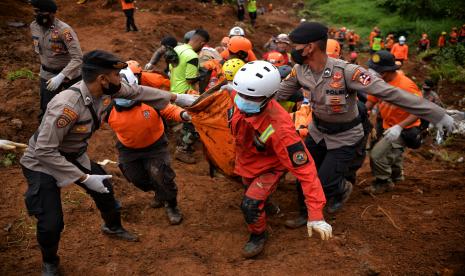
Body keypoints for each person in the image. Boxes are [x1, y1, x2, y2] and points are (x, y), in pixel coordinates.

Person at [20, 50, 197, 276]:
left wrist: (176, 98)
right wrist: (83, 178)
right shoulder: (66, 106)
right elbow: (45, 150)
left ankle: (112, 226)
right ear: (102, 79)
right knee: (51, 221)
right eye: (116, 75)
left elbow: (138, 91)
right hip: (42, 163)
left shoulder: (105, 90)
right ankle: (50, 262)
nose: (120, 80)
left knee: (105, 191)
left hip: (73, 155)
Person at [275, 22, 454, 228]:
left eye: (295, 45)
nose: (291, 50)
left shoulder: (347, 72)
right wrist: (239, 91)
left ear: (309, 47)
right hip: (317, 132)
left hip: (345, 137)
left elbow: (389, 93)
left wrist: (437, 114)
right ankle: (304, 213)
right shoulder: (299, 71)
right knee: (304, 175)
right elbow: (278, 93)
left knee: (325, 183)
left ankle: (343, 189)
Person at [230, 60, 332, 258]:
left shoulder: (282, 130)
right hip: (247, 160)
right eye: (240, 94)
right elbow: (228, 94)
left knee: (249, 204)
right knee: (248, 186)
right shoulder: (241, 95)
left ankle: (258, 235)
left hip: (270, 167)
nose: (241, 100)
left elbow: (306, 172)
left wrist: (316, 215)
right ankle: (264, 203)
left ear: (268, 97)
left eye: (248, 97)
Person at [106, 98, 191, 225]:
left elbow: (169, 109)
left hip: (155, 146)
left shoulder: (148, 99)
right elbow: (92, 119)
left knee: (161, 176)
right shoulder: (108, 109)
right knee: (135, 178)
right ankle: (160, 192)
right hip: (128, 149)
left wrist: (183, 114)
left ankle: (171, 205)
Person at [364, 50, 423, 193]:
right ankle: (397, 176)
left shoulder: (406, 86)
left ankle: (383, 182)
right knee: (393, 153)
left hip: (405, 128)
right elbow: (370, 103)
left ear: (384, 72)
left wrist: (399, 127)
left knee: (377, 155)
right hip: (387, 124)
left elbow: (419, 110)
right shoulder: (379, 83)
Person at [30, 0, 83, 121]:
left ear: (51, 14)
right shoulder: (33, 26)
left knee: (78, 106)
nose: (35, 14)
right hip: (47, 74)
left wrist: (61, 76)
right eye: (34, 11)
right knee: (46, 108)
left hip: (70, 75)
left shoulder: (64, 31)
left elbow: (78, 58)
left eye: (39, 12)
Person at [170, 29, 210, 164]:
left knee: (181, 117)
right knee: (193, 120)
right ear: (201, 42)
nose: (202, 48)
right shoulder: (192, 56)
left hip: (174, 89)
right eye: (203, 46)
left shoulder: (177, 48)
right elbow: (190, 79)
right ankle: (183, 149)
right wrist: (202, 74)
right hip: (186, 92)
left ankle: (178, 138)